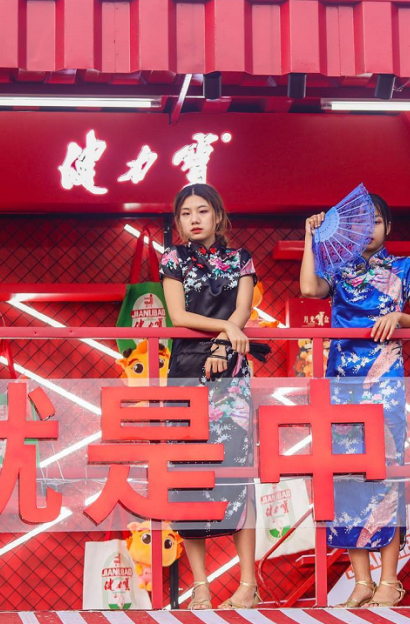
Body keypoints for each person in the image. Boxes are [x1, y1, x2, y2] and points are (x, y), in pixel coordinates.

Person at [299, 193, 410, 608]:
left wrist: (400, 317)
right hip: (341, 382)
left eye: (377, 222)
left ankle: (389, 581)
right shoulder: (338, 266)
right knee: (344, 477)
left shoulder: (405, 267)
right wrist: (310, 237)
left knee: (385, 475)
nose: (370, 229)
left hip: (384, 383)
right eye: (363, 223)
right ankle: (362, 581)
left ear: (388, 227)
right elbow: (308, 288)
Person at [160, 183, 267, 610]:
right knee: (187, 479)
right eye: (186, 213)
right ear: (178, 221)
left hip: (231, 373)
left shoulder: (242, 259)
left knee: (238, 474)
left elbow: (242, 310)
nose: (194, 219)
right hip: (186, 371)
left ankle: (247, 585)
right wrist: (225, 330)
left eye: (202, 211)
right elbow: (178, 315)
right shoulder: (172, 258)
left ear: (218, 216)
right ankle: (201, 587)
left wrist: (227, 338)